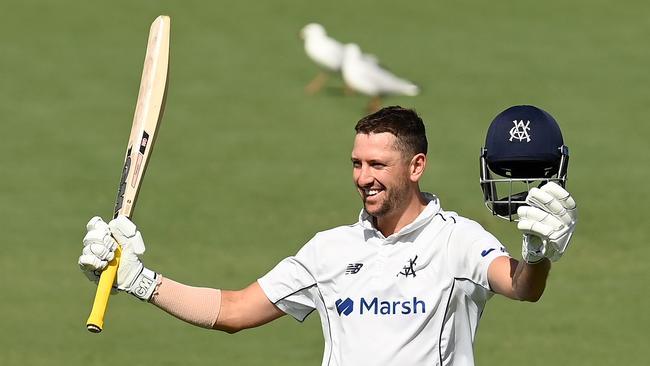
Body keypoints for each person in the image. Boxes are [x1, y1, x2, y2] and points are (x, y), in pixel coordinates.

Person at [79, 106, 577, 366]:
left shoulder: (458, 241)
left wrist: (537, 253)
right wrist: (137, 279)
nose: (364, 176)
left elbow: (522, 286)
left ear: (416, 166)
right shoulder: (329, 250)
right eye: (357, 164)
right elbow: (232, 311)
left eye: (378, 164)